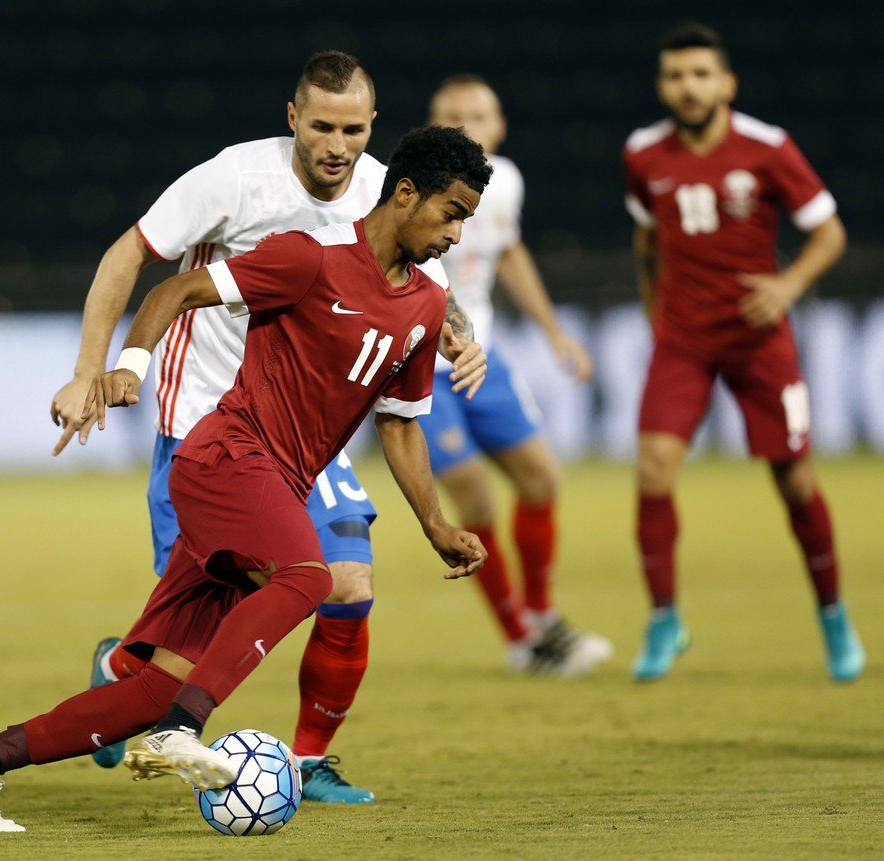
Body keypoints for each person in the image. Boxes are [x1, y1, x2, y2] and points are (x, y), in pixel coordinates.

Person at [0, 124, 492, 833]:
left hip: (273, 486)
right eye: (451, 213)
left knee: (151, 687)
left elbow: (400, 423)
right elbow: (177, 289)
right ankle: (182, 727)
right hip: (226, 456)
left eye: (466, 219)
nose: (456, 234)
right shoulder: (308, 258)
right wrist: (128, 366)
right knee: (309, 578)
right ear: (405, 193)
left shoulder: (426, 304)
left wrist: (436, 524)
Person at [48, 51, 483, 802]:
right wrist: (94, 368)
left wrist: (460, 335)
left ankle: (306, 763)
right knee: (203, 628)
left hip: (306, 434)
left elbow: (431, 289)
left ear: (372, 127)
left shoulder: (392, 190)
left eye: (352, 130)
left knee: (346, 583)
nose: (337, 146)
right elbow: (132, 256)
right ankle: (123, 669)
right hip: (207, 420)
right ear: (293, 119)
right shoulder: (235, 178)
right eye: (321, 127)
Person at [623, 23, 864, 681]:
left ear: (726, 83)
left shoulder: (768, 147)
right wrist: (655, 318)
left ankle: (833, 614)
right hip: (683, 341)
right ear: (662, 86)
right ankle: (664, 620)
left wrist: (787, 285)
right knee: (652, 471)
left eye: (701, 74)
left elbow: (830, 233)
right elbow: (646, 245)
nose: (689, 87)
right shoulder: (642, 154)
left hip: (759, 341)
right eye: (676, 75)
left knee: (795, 479)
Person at [425, 75, 612, 675]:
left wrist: (555, 333)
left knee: (541, 478)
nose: (467, 127)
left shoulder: (504, 182)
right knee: (473, 492)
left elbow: (507, 252)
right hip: (420, 367)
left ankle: (540, 614)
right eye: (453, 117)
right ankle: (520, 641)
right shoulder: (407, 190)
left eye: (478, 115)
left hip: (483, 355)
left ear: (500, 126)